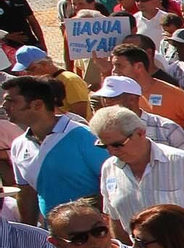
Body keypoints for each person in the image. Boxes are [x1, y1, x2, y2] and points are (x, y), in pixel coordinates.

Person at [90, 106, 184, 245]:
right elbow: (115, 219)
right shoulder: (109, 169)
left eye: (117, 144)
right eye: (103, 146)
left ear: (140, 133)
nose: (111, 152)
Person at [3, 75, 107, 225]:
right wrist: (28, 233)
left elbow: (111, 183)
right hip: (51, 237)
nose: (4, 106)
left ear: (38, 104)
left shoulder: (86, 137)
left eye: (11, 101)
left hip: (92, 234)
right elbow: (27, 194)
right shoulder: (19, 145)